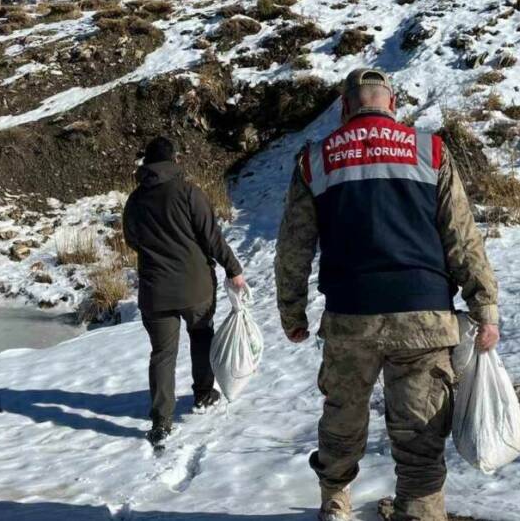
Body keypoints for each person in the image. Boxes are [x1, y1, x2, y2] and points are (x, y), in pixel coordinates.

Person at [275, 69, 500, 521]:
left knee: (342, 414)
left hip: (349, 315)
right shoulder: (428, 150)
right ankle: (420, 511)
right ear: (392, 104)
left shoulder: (315, 160)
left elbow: (294, 244)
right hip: (424, 313)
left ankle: (335, 502)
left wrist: (292, 311)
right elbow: (461, 236)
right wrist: (485, 306)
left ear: (344, 108)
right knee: (420, 426)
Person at [122, 136, 246, 446]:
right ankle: (204, 393)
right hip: (195, 286)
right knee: (201, 335)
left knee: (162, 354)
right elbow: (211, 238)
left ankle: (161, 421)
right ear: (174, 160)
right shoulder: (189, 193)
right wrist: (234, 269)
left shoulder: (135, 201)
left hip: (155, 291)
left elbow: (132, 240)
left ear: (147, 165)